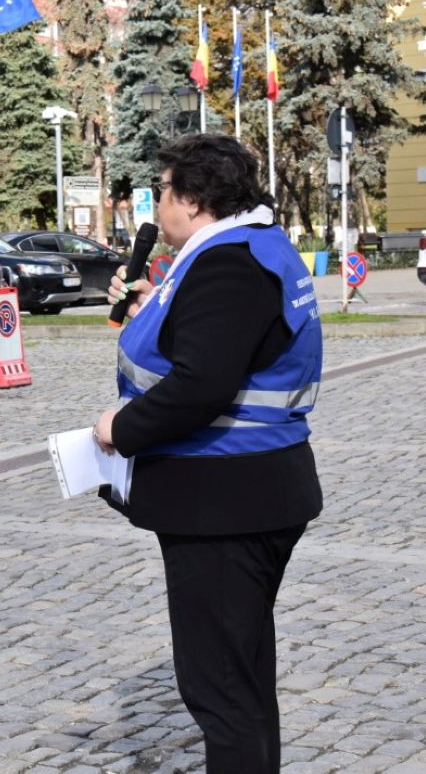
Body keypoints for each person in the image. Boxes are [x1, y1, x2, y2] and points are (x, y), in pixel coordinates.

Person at [91, 134, 323, 773]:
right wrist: (147, 306)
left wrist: (122, 428)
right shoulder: (245, 248)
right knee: (242, 679)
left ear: (192, 199)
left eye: (162, 191)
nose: (157, 204)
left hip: (227, 502)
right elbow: (219, 345)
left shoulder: (229, 263)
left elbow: (203, 384)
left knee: (221, 692)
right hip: (246, 492)